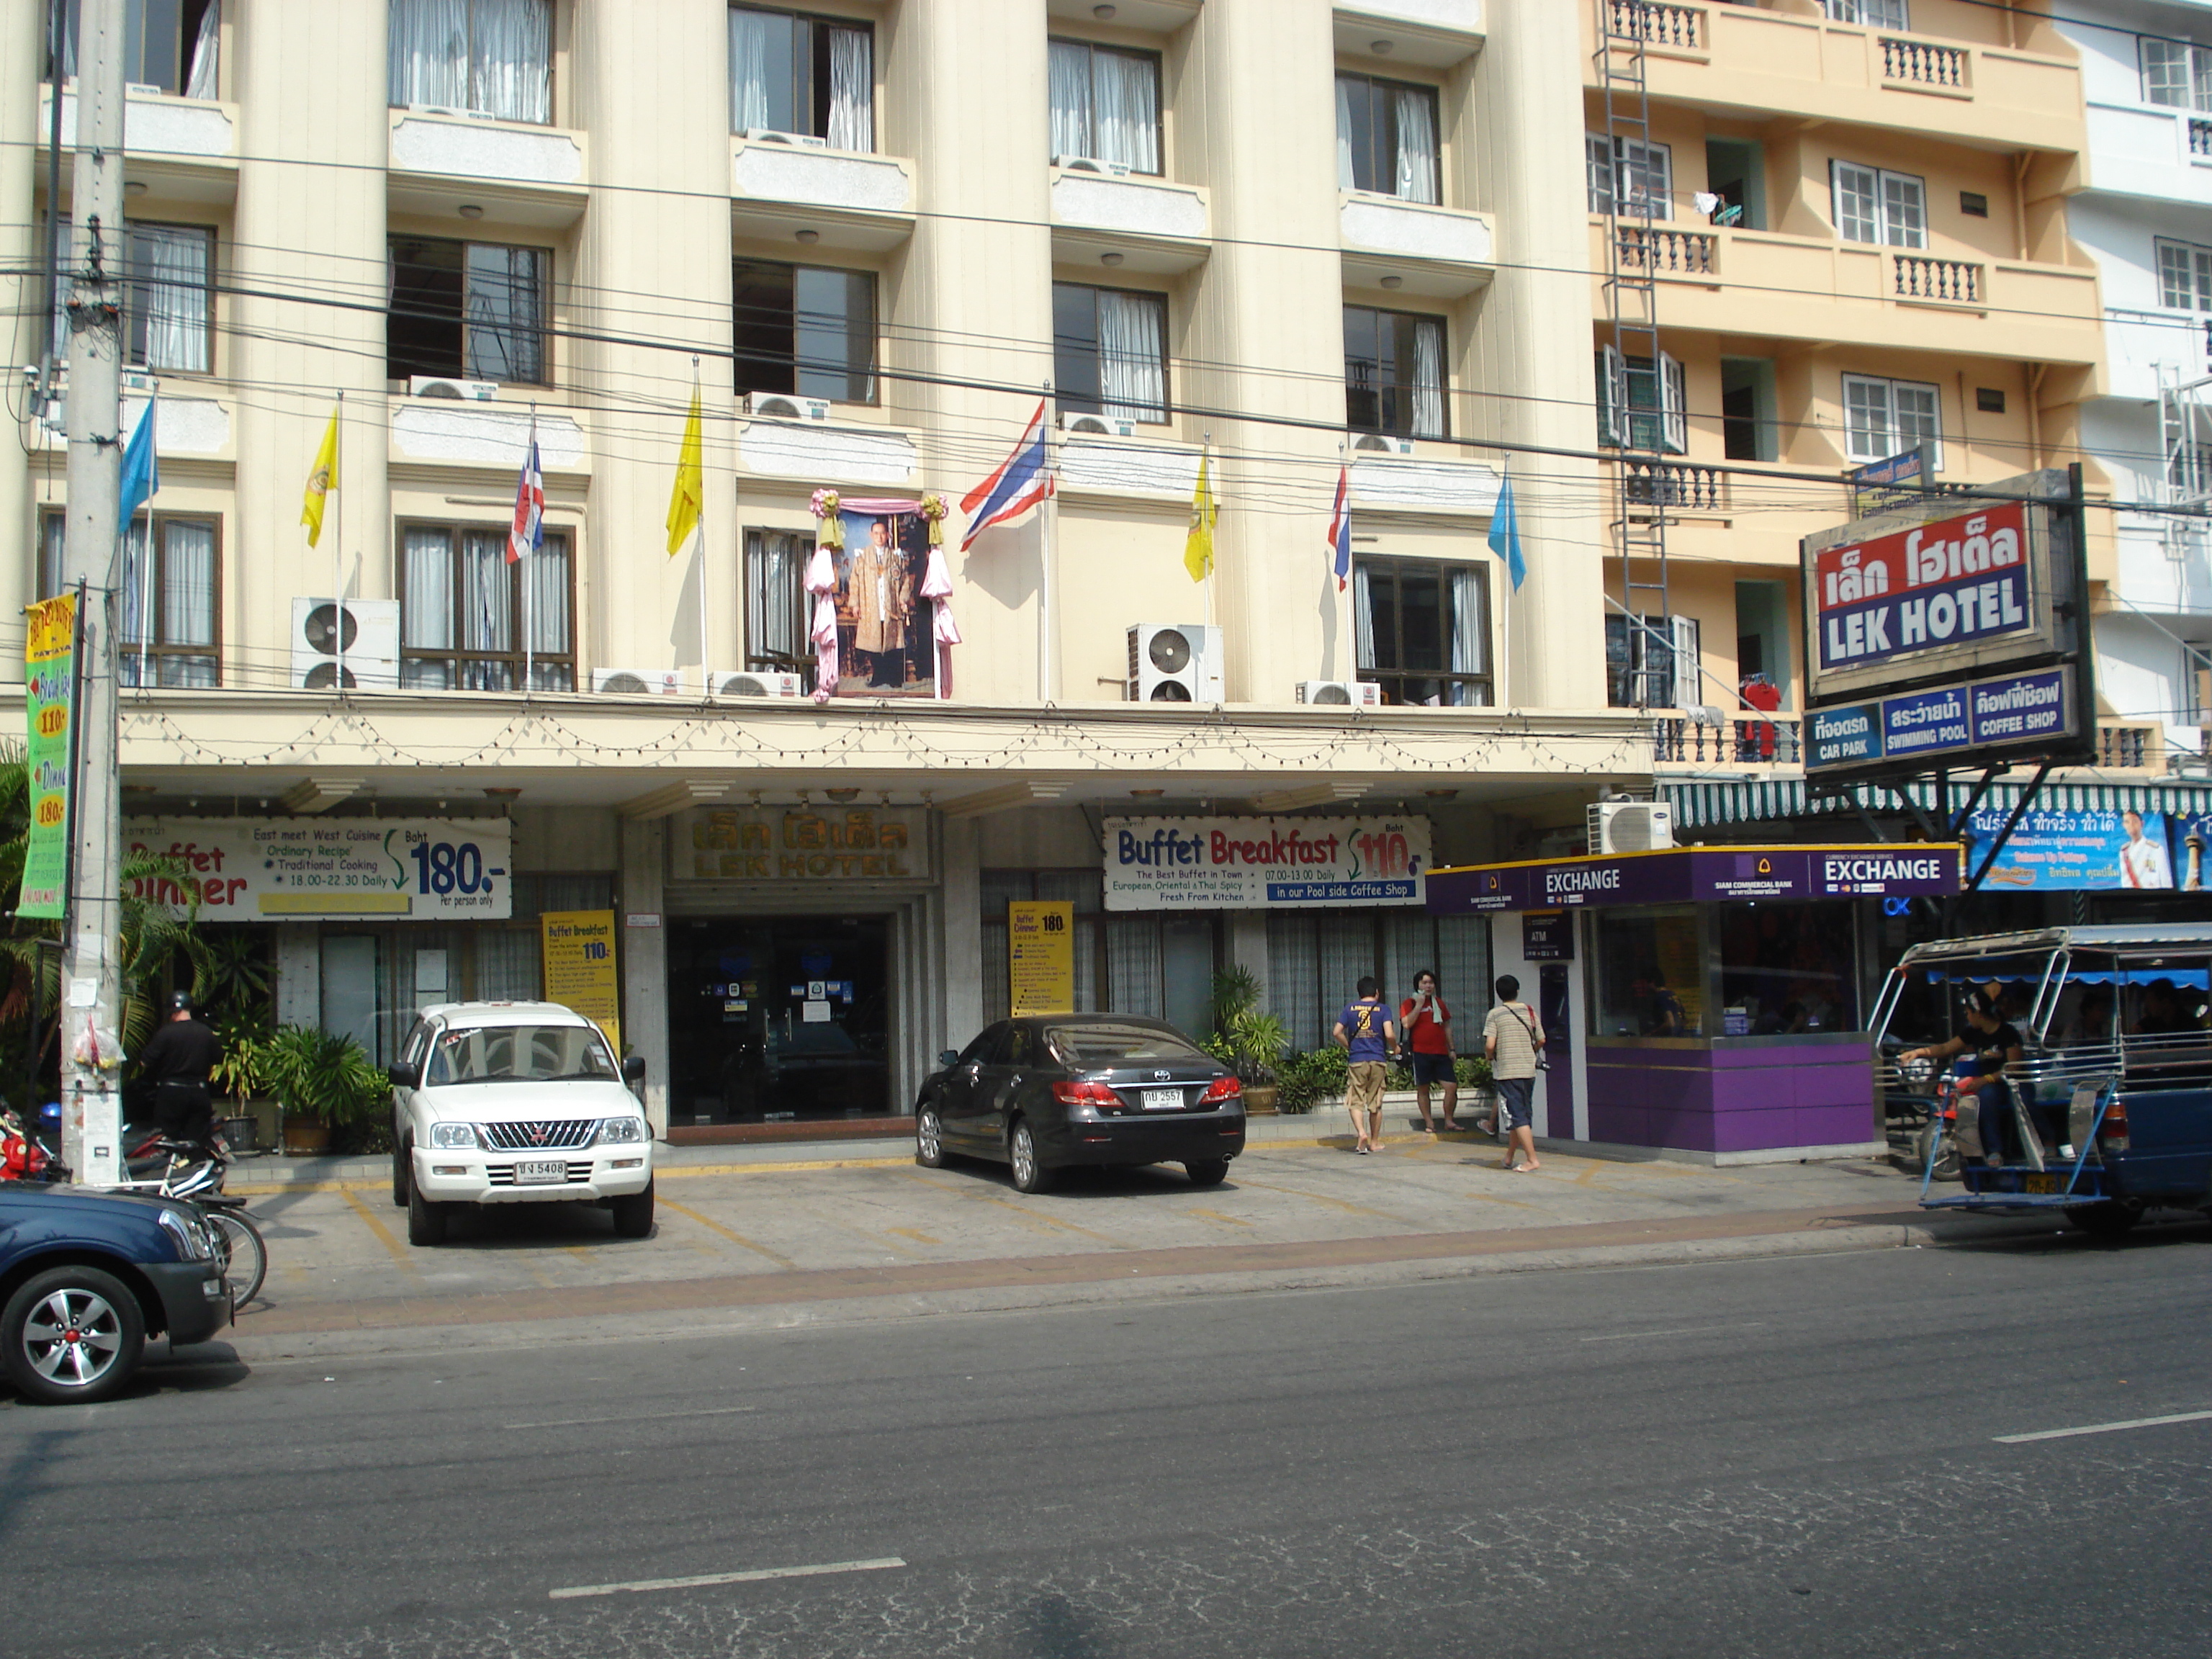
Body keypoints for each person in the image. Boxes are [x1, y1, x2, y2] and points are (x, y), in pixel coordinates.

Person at [1901, 989, 2025, 1166]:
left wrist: (1985, 1079)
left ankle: (2003, 1149)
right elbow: (1945, 1049)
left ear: (1978, 1013)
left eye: (1968, 1013)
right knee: (1983, 1095)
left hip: (2011, 1082)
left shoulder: (2008, 1033)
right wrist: (1916, 1053)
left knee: (1991, 1095)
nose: (1967, 1017)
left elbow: (2014, 1067)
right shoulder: (1973, 1032)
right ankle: (1988, 1150)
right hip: (1988, 1083)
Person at [134, 990, 222, 1150]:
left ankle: (172, 1172)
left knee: (167, 1142)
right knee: (197, 1141)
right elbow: (218, 1058)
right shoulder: (205, 1032)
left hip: (171, 1093)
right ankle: (197, 1168)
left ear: (172, 1012)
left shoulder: (165, 1033)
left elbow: (145, 1062)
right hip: (198, 1092)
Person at [1481, 974, 1545, 1173]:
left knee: (1517, 1116)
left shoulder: (1495, 1014)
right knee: (1522, 1114)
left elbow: (1490, 1045)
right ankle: (1509, 1157)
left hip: (1508, 1071)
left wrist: (1489, 1057)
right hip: (1528, 1070)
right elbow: (1542, 1040)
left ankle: (1532, 1159)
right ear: (1517, 990)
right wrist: (1529, 1051)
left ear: (1498, 994)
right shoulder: (1529, 1011)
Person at [1332, 976, 1394, 1155]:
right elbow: (1389, 1034)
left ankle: (1361, 1133)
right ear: (1377, 993)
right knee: (1375, 1103)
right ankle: (1374, 1142)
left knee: (1356, 1100)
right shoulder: (1383, 1009)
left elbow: (1337, 1032)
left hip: (1357, 1059)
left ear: (1359, 993)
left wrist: (1349, 1045)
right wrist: (1396, 1047)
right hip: (1377, 1059)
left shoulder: (1349, 1008)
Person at [1397, 968, 1465, 1133]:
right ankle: (1429, 1123)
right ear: (1418, 985)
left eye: (1431, 983)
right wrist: (1419, 1005)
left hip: (1440, 1052)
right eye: (1424, 983)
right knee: (1423, 1088)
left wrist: (1452, 1049)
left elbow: (1447, 1026)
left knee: (1451, 1087)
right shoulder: (1410, 1003)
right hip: (1420, 1052)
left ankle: (1449, 1120)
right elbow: (1407, 1024)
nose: (1428, 986)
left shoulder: (1439, 1003)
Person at [850, 517, 912, 690]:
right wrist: (855, 604)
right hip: (871, 606)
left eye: (882, 533)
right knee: (875, 641)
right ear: (871, 535)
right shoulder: (863, 557)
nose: (879, 537)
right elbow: (854, 581)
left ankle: (893, 678)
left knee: (891, 641)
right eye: (876, 533)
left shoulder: (895, 557)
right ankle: (878, 676)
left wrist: (902, 600)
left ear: (887, 535)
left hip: (890, 606)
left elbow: (905, 581)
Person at [2118, 809, 2172, 889]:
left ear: (2142, 824)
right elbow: (2125, 882)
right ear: (2124, 825)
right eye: (2127, 822)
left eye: (2135, 821)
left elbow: (2166, 881)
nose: (2131, 825)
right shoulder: (2124, 852)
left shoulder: (2156, 849)